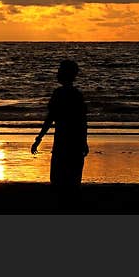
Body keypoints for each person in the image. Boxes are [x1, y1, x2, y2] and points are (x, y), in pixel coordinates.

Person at [31, 60, 89, 197]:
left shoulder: (59, 94)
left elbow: (50, 118)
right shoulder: (77, 95)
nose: (57, 73)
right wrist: (84, 142)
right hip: (75, 143)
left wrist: (39, 138)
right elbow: (82, 122)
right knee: (73, 182)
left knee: (58, 180)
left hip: (62, 143)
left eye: (60, 70)